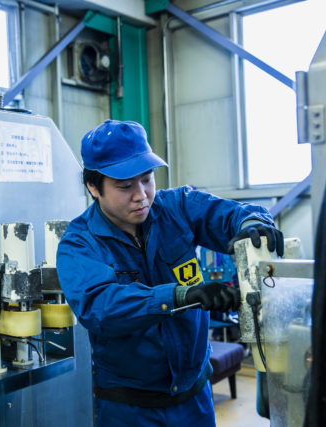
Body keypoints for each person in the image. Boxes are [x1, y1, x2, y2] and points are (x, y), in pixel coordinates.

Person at [56, 120, 283, 426]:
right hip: (129, 409)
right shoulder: (80, 243)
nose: (141, 195)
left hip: (195, 399)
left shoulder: (177, 208)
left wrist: (253, 223)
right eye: (125, 186)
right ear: (93, 187)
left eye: (147, 179)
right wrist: (180, 296)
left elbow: (230, 214)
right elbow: (100, 307)